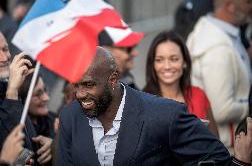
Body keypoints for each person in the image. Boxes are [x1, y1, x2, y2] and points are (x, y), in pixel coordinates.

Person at [55, 46, 252, 165]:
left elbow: (216, 159)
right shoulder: (69, 117)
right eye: (76, 85)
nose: (80, 94)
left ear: (113, 80)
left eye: (88, 85)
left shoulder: (165, 116)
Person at [0, 23, 52, 165]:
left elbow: (32, 136)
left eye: (5, 49)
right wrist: (12, 93)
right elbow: (16, 155)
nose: (5, 57)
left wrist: (52, 143)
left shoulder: (8, 84)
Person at [187, 0, 252, 152]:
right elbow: (221, 109)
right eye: (248, 1)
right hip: (228, 151)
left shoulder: (219, 29)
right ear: (230, 6)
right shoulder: (217, 48)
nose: (251, 6)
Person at [143, 30, 219, 137]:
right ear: (153, 65)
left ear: (185, 62)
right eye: (159, 60)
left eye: (174, 59)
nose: (167, 66)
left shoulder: (198, 95)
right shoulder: (143, 103)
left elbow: (216, 145)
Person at [19, 73, 56, 139]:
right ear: (22, 99)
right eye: (38, 94)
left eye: (45, 90)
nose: (46, 98)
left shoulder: (56, 121)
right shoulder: (19, 131)